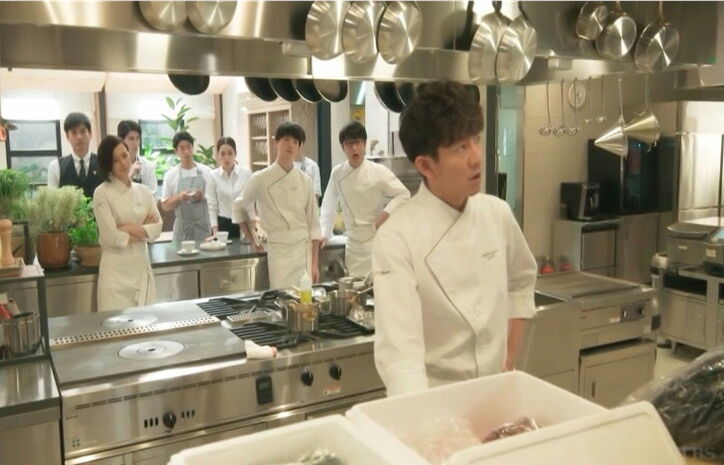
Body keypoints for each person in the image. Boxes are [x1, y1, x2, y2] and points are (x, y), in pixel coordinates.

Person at [372, 81, 538, 397]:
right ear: (425, 165)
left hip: (495, 393)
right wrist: (427, 419)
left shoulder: (497, 214)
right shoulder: (396, 238)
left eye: (476, 140)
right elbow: (401, 354)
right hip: (434, 399)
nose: (476, 157)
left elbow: (521, 282)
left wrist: (508, 360)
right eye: (460, 148)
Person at [233, 122, 322, 289]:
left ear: (299, 147)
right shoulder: (261, 178)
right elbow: (238, 206)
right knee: (281, 297)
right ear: (276, 142)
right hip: (278, 250)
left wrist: (315, 263)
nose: (290, 145)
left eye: (295, 142)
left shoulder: (305, 181)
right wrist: (253, 239)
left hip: (303, 251)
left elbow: (314, 224)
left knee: (305, 299)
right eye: (286, 139)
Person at [320, 121, 410, 277]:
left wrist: (384, 215)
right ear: (343, 147)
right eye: (350, 144)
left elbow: (404, 194)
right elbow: (329, 204)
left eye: (358, 143)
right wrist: (325, 233)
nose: (355, 148)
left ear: (364, 144)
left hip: (375, 242)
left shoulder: (378, 171)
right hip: (353, 246)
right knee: (354, 287)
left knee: (377, 286)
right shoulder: (338, 173)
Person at [93, 135, 163, 311]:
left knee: (149, 322)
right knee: (115, 326)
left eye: (124, 155)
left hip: (141, 268)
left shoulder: (144, 191)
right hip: (115, 276)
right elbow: (111, 237)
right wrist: (143, 231)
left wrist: (127, 228)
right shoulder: (101, 193)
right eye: (115, 160)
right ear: (108, 164)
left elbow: (157, 228)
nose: (123, 163)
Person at [160, 131, 213, 244]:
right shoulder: (171, 175)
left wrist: (202, 197)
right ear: (176, 151)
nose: (186, 152)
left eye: (189, 147)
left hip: (203, 228)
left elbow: (216, 201)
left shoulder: (207, 171)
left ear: (193, 148)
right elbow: (165, 206)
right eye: (182, 148)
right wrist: (179, 197)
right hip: (182, 230)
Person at [47, 112, 104, 197]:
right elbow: (52, 200)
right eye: (73, 132)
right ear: (67, 136)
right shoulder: (55, 166)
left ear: (90, 134)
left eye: (83, 131)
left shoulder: (103, 163)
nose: (79, 137)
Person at [206, 137, 252, 239]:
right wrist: (215, 231)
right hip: (223, 224)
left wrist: (253, 226)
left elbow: (250, 202)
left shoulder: (246, 173)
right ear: (218, 155)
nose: (226, 157)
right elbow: (212, 205)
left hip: (243, 224)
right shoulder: (213, 176)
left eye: (230, 153)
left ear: (235, 153)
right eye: (222, 154)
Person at [117, 120, 158, 194]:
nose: (135, 143)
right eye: (131, 139)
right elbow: (114, 195)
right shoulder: (115, 167)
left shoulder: (148, 166)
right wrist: (130, 175)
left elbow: (152, 195)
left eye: (138, 138)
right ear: (121, 140)